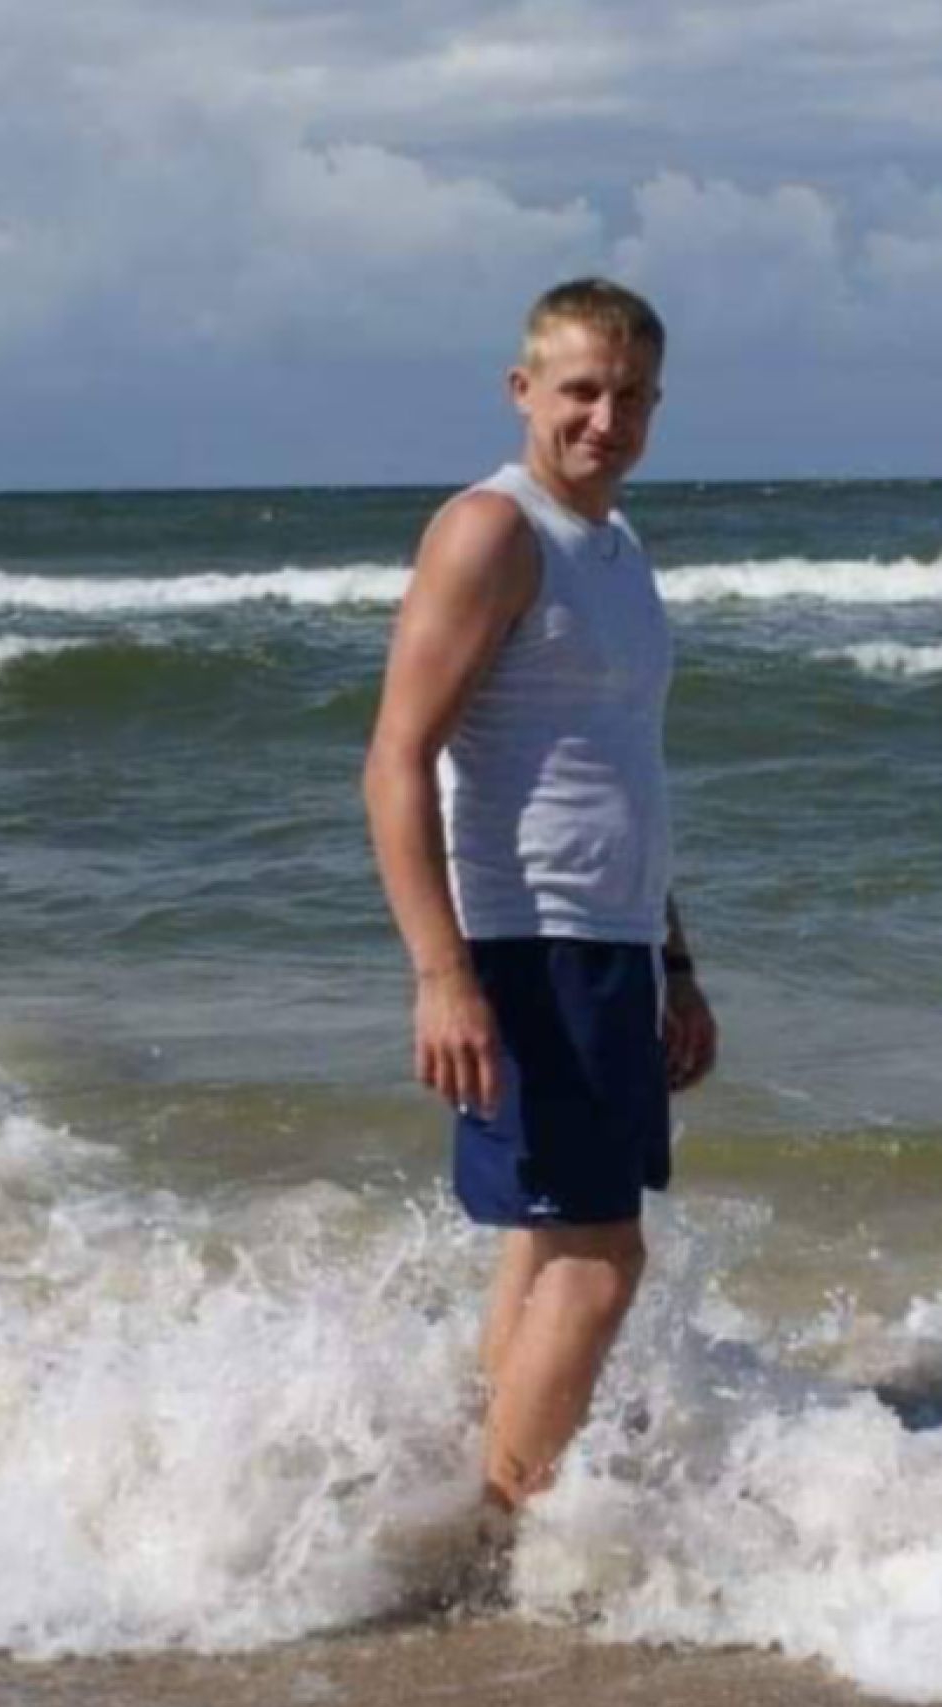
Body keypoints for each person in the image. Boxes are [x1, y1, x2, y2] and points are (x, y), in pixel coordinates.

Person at [364, 278, 717, 1521]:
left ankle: (479, 1487)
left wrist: (673, 960)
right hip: (528, 942)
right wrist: (441, 973)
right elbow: (394, 759)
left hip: (608, 941)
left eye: (631, 397)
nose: (604, 419)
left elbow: (619, 768)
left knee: (549, 1239)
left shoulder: (613, 548)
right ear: (523, 390)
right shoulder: (491, 530)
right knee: (601, 1258)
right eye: (579, 390)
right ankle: (499, 1532)